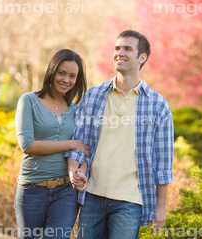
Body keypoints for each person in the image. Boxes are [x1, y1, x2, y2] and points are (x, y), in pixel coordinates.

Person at [66, 30, 174, 239]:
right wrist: (74, 171)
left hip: (130, 200)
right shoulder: (94, 95)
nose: (119, 53)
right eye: (117, 48)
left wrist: (161, 208)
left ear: (142, 58)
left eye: (127, 48)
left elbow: (163, 163)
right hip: (92, 195)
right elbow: (79, 141)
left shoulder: (157, 104)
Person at [14, 49, 88, 239]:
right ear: (52, 71)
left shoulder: (76, 110)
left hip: (66, 190)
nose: (66, 80)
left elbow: (85, 147)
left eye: (72, 76)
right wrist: (70, 144)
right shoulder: (29, 101)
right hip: (32, 189)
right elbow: (27, 145)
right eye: (61, 73)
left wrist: (80, 170)